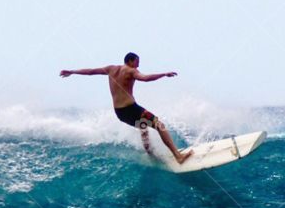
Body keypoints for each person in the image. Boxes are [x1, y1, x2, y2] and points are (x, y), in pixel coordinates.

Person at [60, 52, 193, 164]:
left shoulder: (110, 69)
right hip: (131, 108)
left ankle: (151, 155)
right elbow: (145, 78)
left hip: (120, 113)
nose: (138, 65)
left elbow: (90, 72)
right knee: (159, 125)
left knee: (143, 126)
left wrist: (72, 71)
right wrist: (163, 74)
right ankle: (178, 156)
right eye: (137, 62)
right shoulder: (131, 70)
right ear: (130, 61)